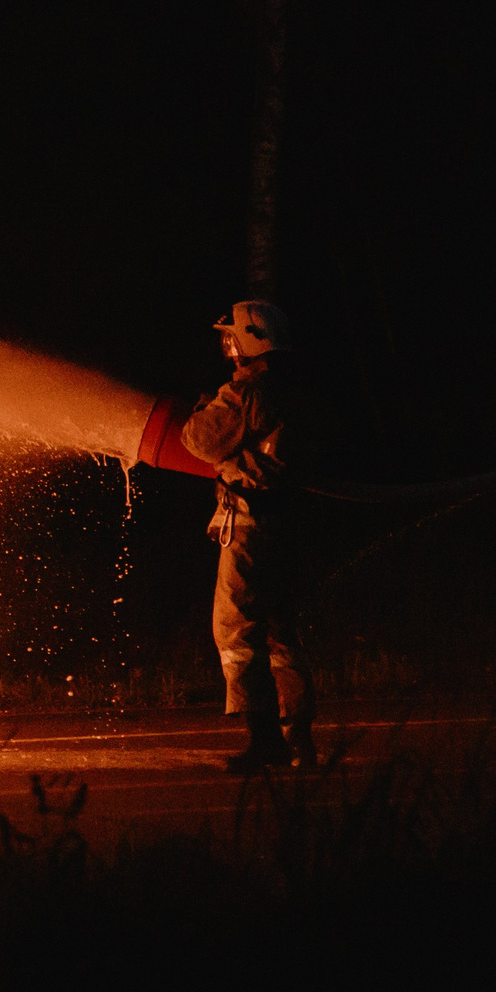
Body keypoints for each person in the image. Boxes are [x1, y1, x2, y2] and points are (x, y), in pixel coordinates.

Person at [181, 300, 314, 770]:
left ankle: (264, 743)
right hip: (285, 523)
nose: (226, 346)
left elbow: (199, 440)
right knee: (282, 636)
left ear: (249, 340)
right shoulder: (291, 389)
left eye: (230, 337)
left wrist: (199, 409)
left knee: (235, 631)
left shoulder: (244, 393)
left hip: (249, 527)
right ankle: (297, 740)